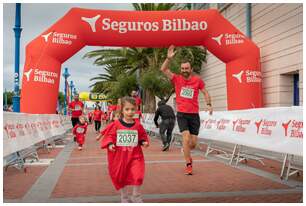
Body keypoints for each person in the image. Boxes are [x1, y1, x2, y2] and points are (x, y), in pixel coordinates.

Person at [160, 45, 213, 175]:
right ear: (181, 69)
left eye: (186, 68)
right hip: (182, 114)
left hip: (194, 115)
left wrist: (209, 104)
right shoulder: (177, 79)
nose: (184, 70)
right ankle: (188, 164)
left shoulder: (197, 80)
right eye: (182, 68)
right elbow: (163, 69)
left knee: (193, 143)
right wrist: (168, 58)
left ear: (191, 69)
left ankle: (186, 150)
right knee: (186, 137)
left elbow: (205, 92)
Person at [101, 96, 149, 203]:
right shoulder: (117, 124)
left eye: (132, 109)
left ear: (136, 109)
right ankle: (124, 197)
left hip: (136, 156)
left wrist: (143, 142)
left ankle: (136, 196)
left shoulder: (138, 125)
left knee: (138, 175)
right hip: (120, 156)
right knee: (121, 177)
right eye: (127, 109)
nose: (130, 112)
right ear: (122, 110)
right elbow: (110, 136)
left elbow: (142, 136)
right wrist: (110, 144)